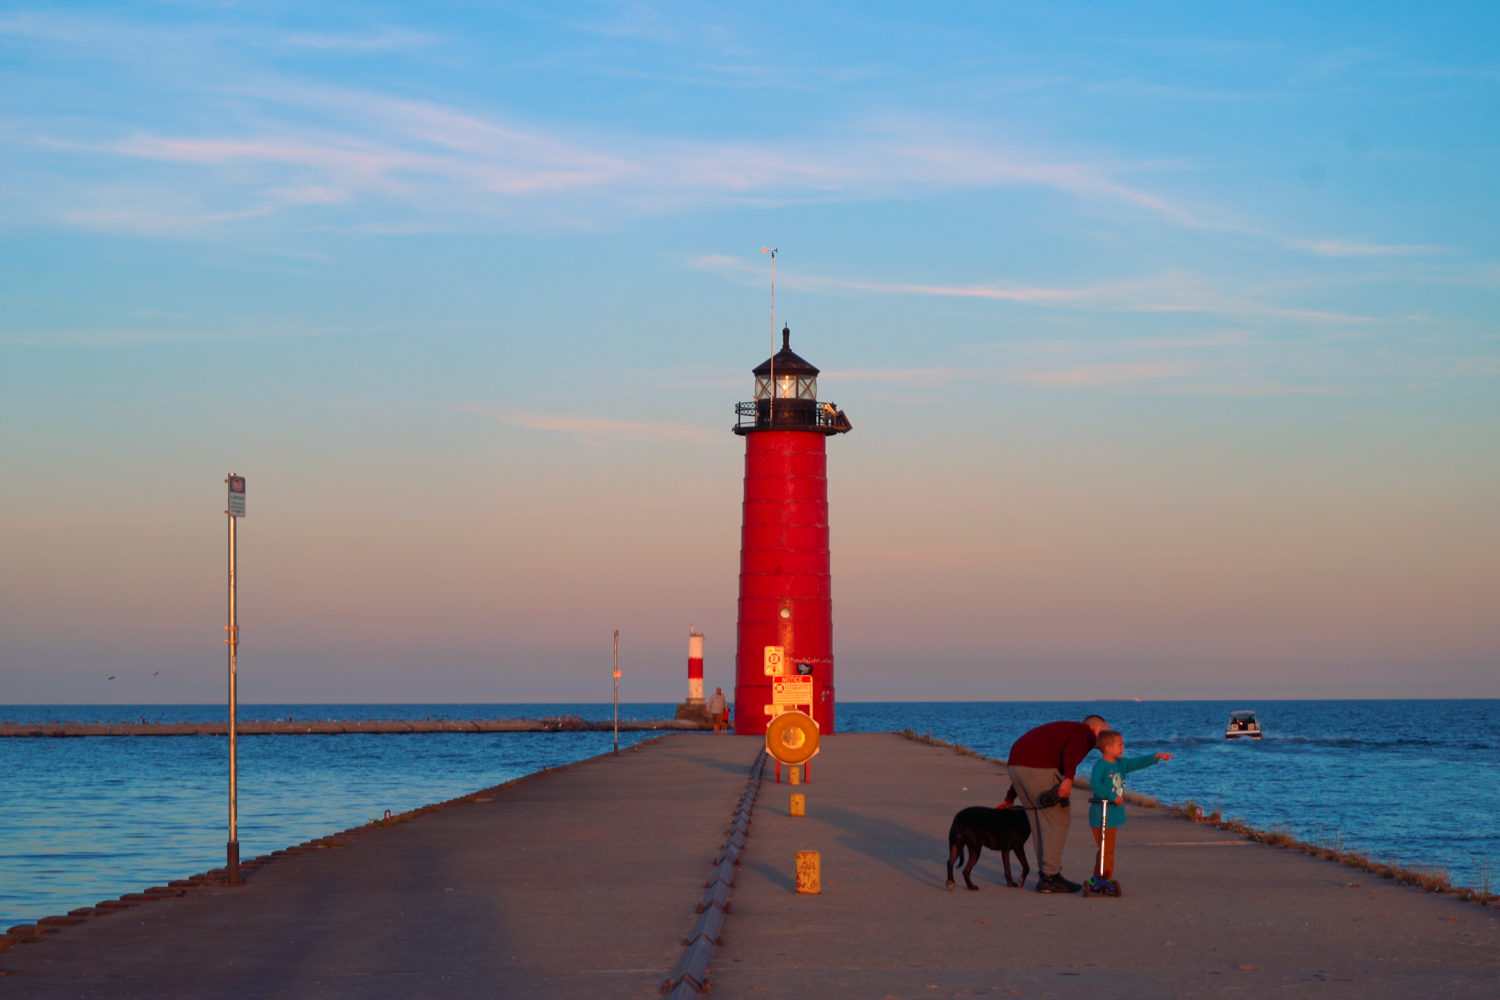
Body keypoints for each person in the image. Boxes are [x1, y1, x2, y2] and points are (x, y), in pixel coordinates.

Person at [1002, 715, 1109, 892]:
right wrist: (1069, 779)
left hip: (1015, 765)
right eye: (1107, 729)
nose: (1109, 735)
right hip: (1038, 767)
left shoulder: (1067, 731)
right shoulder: (1086, 732)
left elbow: (1028, 760)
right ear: (1096, 727)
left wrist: (1010, 797)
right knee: (1057, 819)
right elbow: (1071, 753)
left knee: (1038, 821)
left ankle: (1046, 874)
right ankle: (1050, 876)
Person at [1087, 731, 1172, 888]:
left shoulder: (1122, 764)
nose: (1123, 748)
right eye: (1120, 745)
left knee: (1107, 849)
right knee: (1106, 849)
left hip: (1113, 815)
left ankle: (1100, 877)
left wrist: (1156, 756)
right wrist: (1112, 796)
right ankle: (1103, 877)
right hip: (1101, 814)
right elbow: (1095, 784)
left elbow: (1137, 762)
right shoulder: (1101, 765)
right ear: (1108, 748)